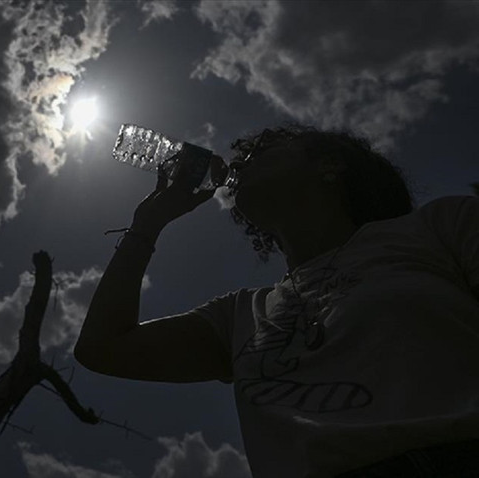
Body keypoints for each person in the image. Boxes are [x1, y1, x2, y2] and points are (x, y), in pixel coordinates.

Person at [74, 124, 479, 477]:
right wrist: (148, 224)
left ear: (329, 165)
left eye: (260, 149)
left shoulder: (437, 227)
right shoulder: (239, 314)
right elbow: (103, 347)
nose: (242, 159)